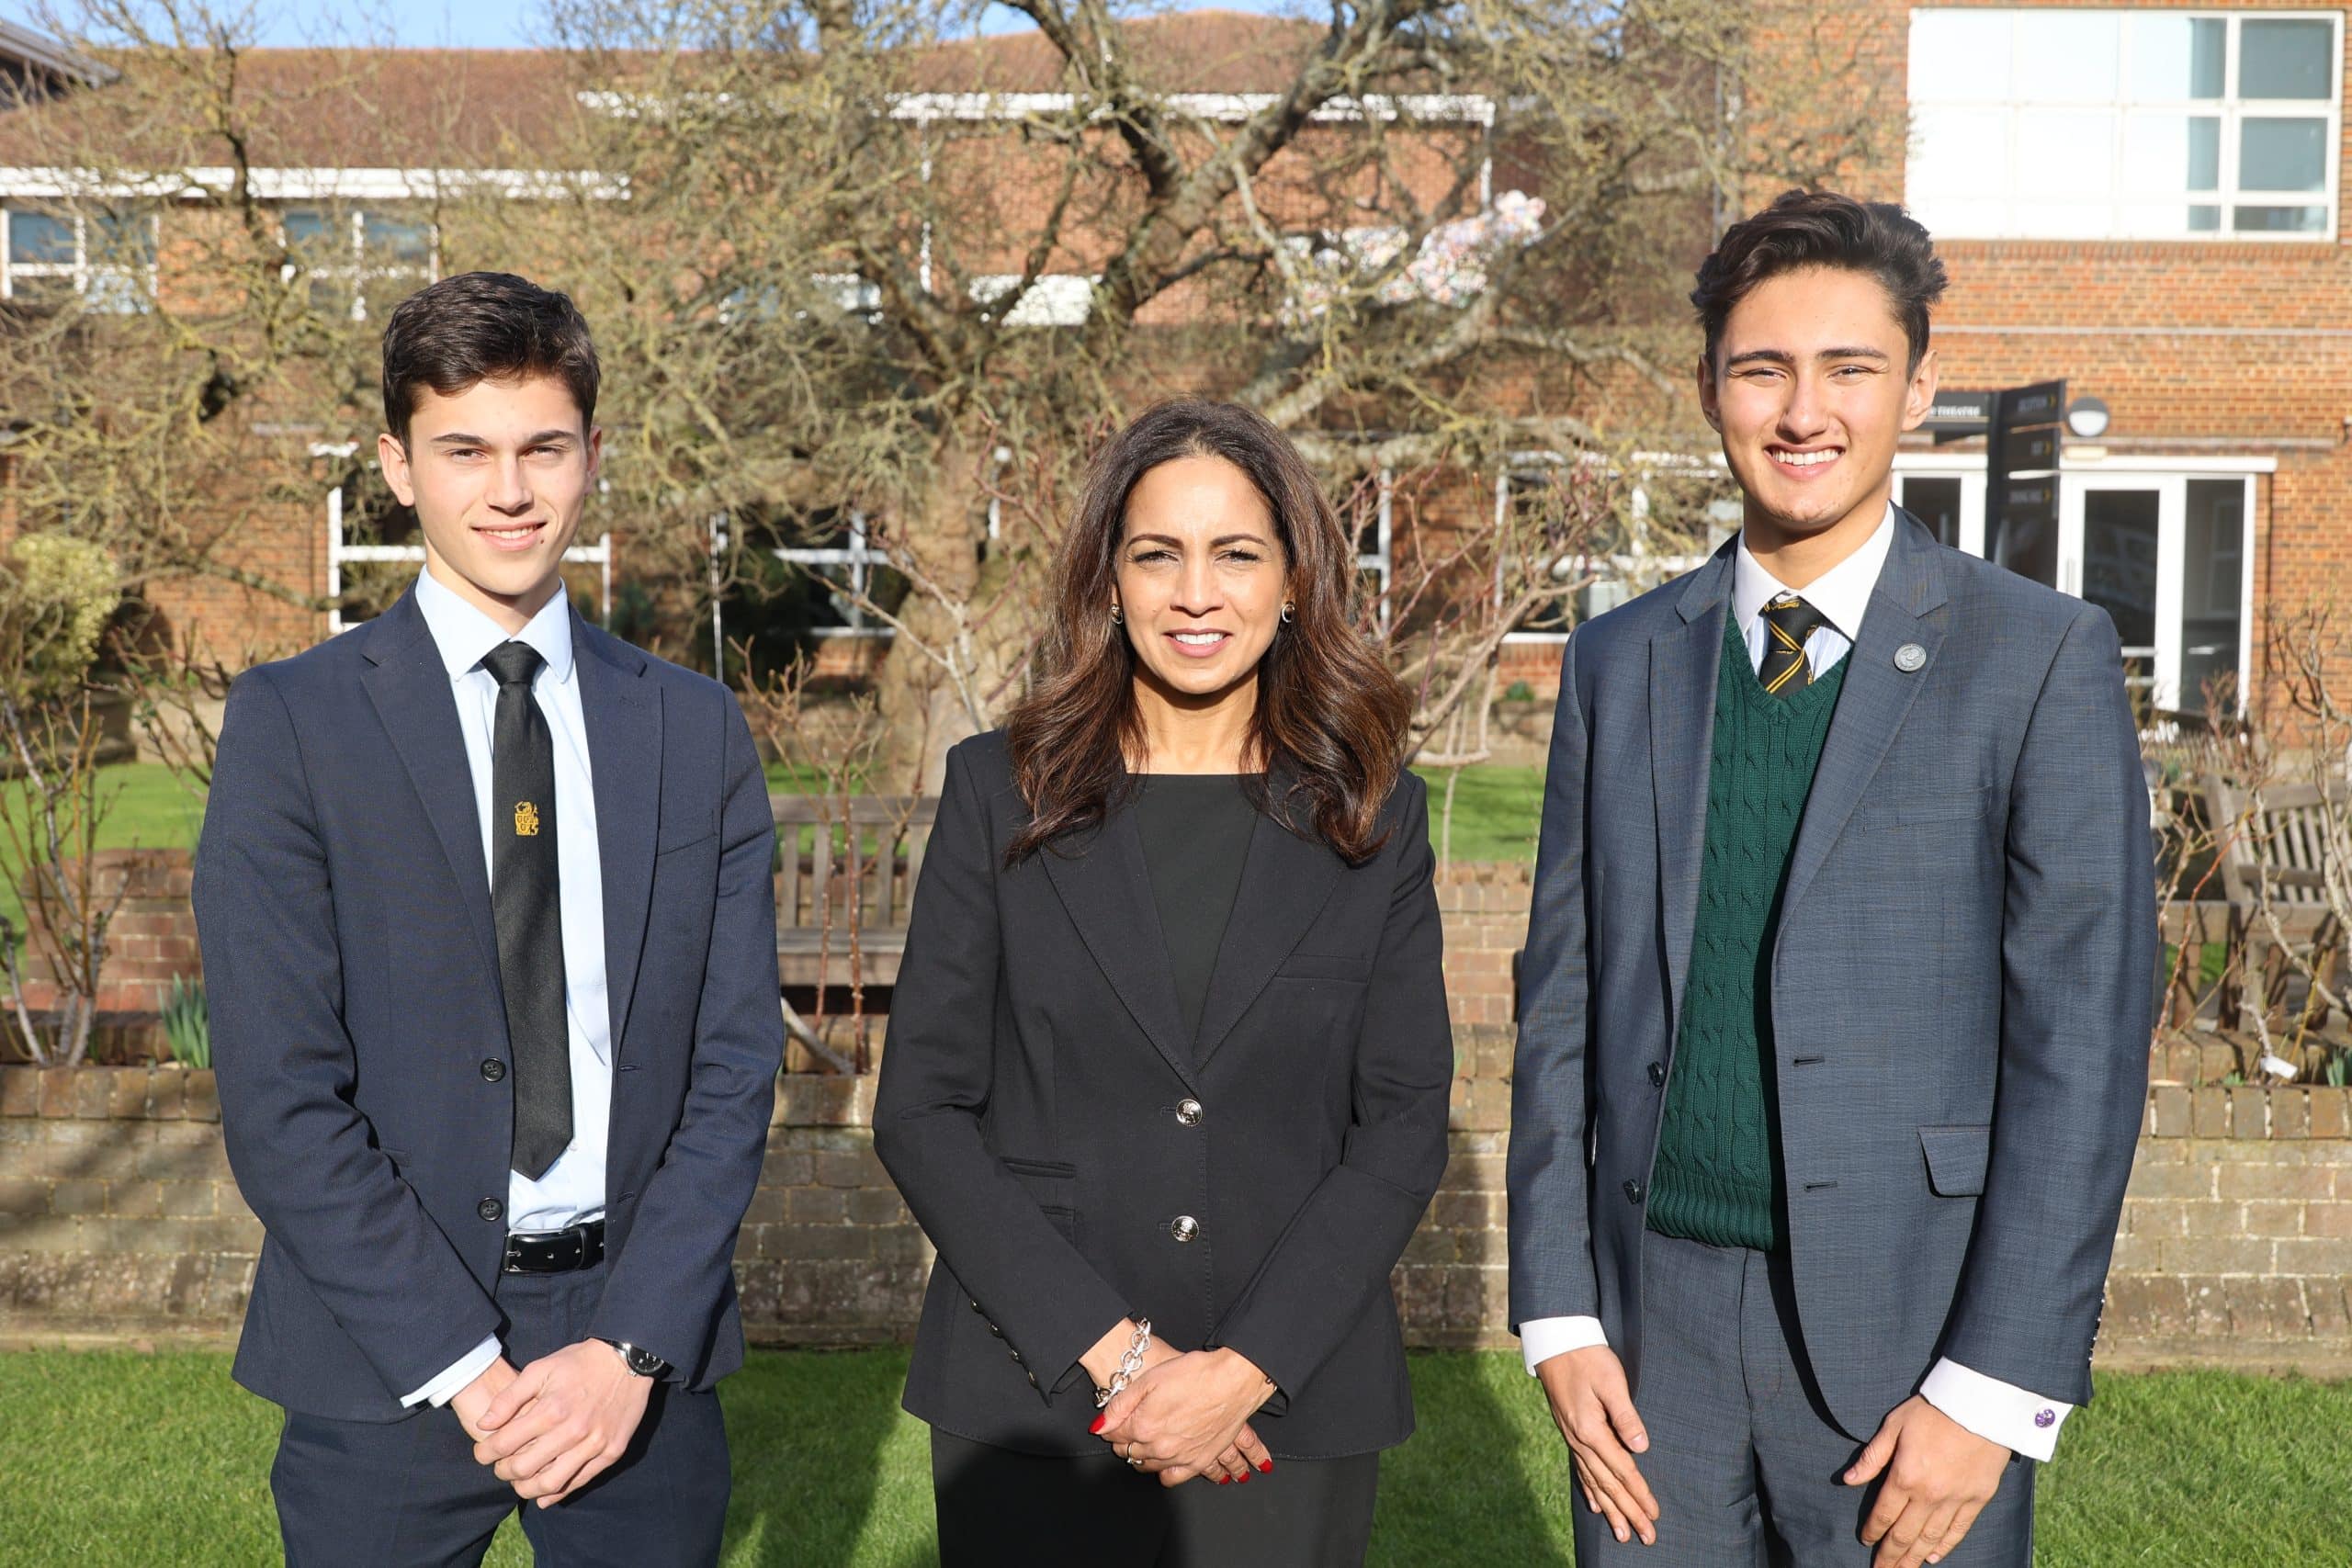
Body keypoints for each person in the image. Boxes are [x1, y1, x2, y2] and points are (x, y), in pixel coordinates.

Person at [1507, 190, 2155, 1568]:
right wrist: (1560, 1313)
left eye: (1849, 367)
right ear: (1709, 389)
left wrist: (1992, 1388)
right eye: (1763, 369)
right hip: (1652, 1339)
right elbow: (1561, 1002)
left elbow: (2083, 1046)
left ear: (1915, 387)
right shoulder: (1619, 662)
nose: (1804, 412)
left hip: (1912, 1343)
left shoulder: (2037, 656)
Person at [194, 271, 784, 1566]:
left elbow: (735, 1067)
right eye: (465, 450)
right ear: (397, 466)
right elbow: (280, 1094)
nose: (509, 491)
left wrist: (629, 1348)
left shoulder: (693, 728)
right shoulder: (295, 724)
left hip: (635, 1346)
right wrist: (464, 1364)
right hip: (383, 1350)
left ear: (591, 456)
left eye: (542, 448)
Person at [873, 399, 1453, 1567]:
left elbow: (1399, 1125)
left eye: (1235, 554)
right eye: (1157, 555)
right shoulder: (999, 794)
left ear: (1293, 581)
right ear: (1109, 580)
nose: (1196, 594)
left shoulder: (1372, 814)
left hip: (1282, 1410)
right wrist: (1122, 1358)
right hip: (1038, 1398)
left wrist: (1243, 1370)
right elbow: (922, 1111)